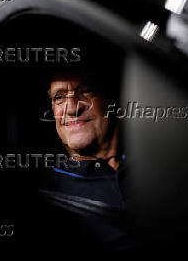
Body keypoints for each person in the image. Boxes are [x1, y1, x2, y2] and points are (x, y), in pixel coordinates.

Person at [37, 67, 136, 254]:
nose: (72, 107)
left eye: (86, 91)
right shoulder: (42, 194)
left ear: (112, 101)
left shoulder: (153, 162)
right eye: (59, 97)